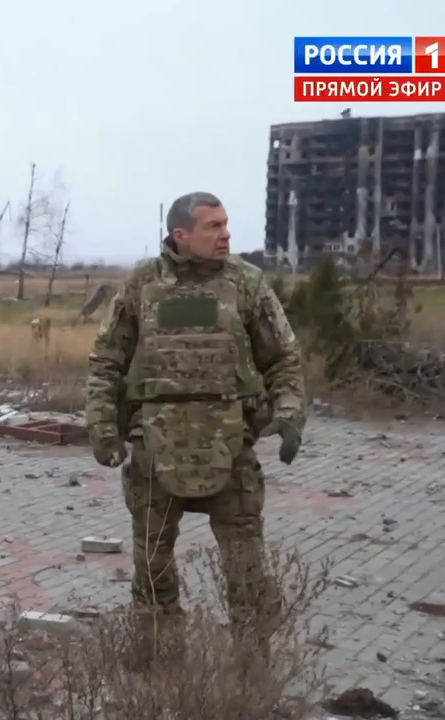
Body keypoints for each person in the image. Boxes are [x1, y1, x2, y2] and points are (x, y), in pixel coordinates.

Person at [84, 191, 305, 666]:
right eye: (213, 226)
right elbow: (107, 361)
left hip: (230, 445)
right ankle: (161, 659)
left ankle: (251, 664)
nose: (226, 234)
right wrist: (103, 427)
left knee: (246, 565)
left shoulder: (246, 283)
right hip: (154, 448)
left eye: (226, 224)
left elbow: (282, 358)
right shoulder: (143, 283)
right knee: (152, 562)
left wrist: (288, 414)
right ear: (180, 235)